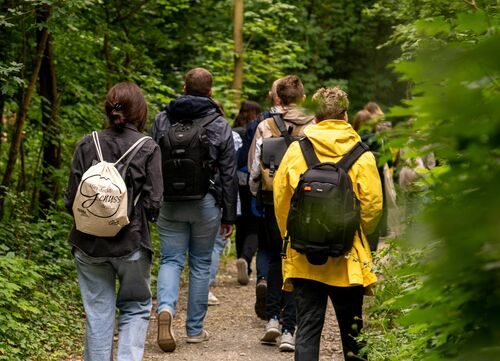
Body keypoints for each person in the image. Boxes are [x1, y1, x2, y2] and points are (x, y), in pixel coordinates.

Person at [273, 87, 383, 360]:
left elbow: (281, 198)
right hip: (347, 259)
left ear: (315, 118)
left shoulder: (298, 150)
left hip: (305, 257)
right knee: (353, 332)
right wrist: (358, 234)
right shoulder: (362, 154)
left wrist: (293, 234)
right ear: (345, 116)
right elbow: (372, 206)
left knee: (308, 328)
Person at [64, 82, 163, 361]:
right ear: (140, 111)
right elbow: (155, 202)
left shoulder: (87, 143)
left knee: (98, 311)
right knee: (136, 306)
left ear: (109, 109)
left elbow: (70, 198)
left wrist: (93, 219)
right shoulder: (147, 147)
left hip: (88, 244)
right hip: (131, 242)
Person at [151, 68, 237, 352]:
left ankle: (165, 309)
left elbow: (152, 161)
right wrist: (229, 214)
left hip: (170, 202)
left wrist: (154, 200)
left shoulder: (163, 118)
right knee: (200, 264)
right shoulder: (219, 123)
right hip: (205, 202)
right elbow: (228, 173)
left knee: (170, 260)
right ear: (210, 92)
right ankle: (194, 330)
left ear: (184, 87)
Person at [248, 75, 315, 352]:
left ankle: (273, 319)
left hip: (272, 200)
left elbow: (255, 167)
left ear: (279, 97)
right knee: (296, 262)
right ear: (302, 97)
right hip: (306, 201)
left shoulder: (266, 125)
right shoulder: (314, 125)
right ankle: (290, 329)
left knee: (275, 259)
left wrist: (257, 194)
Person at [231, 100, 262, 285]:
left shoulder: (233, 131)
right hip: (253, 182)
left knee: (240, 224)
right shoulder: (258, 130)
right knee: (254, 225)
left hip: (235, 184)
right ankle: (246, 258)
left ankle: (243, 262)